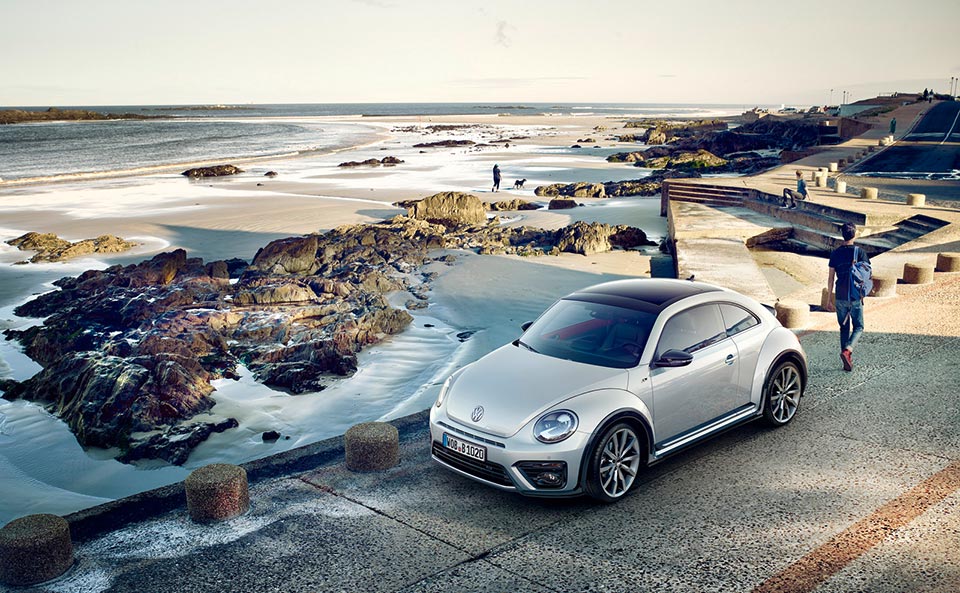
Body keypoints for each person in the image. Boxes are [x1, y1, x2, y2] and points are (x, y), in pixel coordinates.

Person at [827, 223, 870, 371]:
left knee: (843, 328)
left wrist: (828, 299)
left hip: (840, 295)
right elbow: (867, 274)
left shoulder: (835, 253)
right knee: (859, 326)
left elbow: (831, 278)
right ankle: (848, 351)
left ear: (842, 235)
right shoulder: (860, 252)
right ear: (854, 234)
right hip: (855, 296)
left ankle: (846, 360)